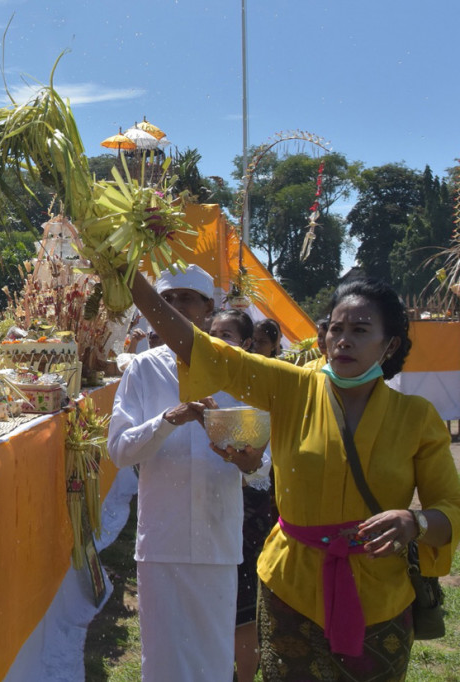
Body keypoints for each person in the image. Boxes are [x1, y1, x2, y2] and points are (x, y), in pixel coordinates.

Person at [127, 271, 460, 681]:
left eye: (360, 330)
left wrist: (416, 521)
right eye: (335, 329)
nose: (344, 340)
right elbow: (205, 351)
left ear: (389, 344)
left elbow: (451, 511)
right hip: (290, 591)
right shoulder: (291, 388)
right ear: (321, 338)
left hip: (380, 597)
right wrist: (130, 280)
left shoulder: (417, 418)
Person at [106, 265, 266, 681]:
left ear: (209, 308)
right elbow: (120, 451)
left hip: (218, 538)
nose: (175, 308)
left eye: (186, 299)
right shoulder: (142, 370)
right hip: (162, 540)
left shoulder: (237, 367)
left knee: (213, 657)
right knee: (161, 659)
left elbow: (261, 462)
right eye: (167, 300)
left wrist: (251, 463)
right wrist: (167, 420)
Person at [211, 309, 273, 682]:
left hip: (249, 507)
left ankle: (245, 678)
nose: (218, 341)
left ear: (248, 343)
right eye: (212, 333)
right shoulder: (195, 382)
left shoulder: (261, 386)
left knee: (243, 609)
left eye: (228, 335)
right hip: (209, 511)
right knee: (214, 604)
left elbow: (272, 459)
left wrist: (250, 466)